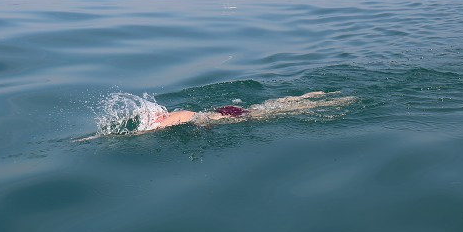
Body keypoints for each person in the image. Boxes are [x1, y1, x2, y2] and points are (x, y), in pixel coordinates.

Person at [78, 91, 355, 140]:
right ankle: (314, 96)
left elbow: (200, 122)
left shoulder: (169, 122)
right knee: (275, 105)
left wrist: (204, 130)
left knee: (275, 111)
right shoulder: (172, 116)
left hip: (229, 117)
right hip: (223, 112)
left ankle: (326, 101)